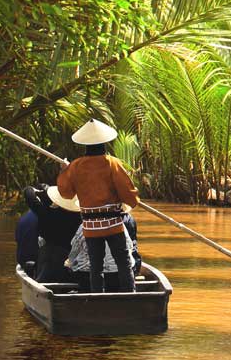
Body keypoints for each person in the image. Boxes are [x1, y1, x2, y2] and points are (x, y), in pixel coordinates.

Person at [56, 119, 139, 292]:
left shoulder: (76, 166)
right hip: (113, 225)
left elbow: (66, 193)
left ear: (85, 145)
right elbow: (129, 194)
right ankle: (130, 295)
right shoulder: (111, 163)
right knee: (123, 262)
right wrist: (132, 202)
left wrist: (65, 170)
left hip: (90, 227)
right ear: (104, 143)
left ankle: (96, 297)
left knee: (96, 265)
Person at [65, 212, 142, 291]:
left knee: (72, 266)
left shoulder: (85, 226)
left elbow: (74, 251)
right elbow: (130, 248)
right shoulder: (120, 225)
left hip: (88, 275)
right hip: (118, 275)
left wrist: (70, 263)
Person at [23, 184, 82, 282]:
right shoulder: (78, 216)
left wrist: (40, 191)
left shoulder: (46, 212)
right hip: (68, 256)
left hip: (48, 255)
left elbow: (29, 194)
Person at [14, 209, 39, 276]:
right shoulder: (45, 217)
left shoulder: (23, 218)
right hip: (37, 262)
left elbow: (17, 240)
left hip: (23, 260)